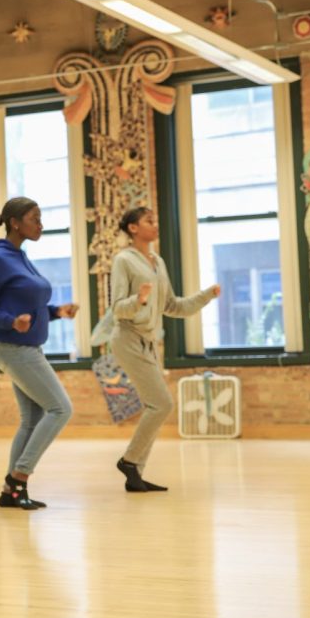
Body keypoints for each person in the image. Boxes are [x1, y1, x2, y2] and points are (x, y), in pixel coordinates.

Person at [0, 197, 78, 510]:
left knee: (32, 419)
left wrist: (57, 311)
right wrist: (10, 322)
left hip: (26, 346)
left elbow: (27, 306)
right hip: (13, 348)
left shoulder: (18, 256)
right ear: (15, 222)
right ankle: (19, 477)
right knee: (60, 409)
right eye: (35, 218)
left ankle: (11, 492)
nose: (41, 224)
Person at [110, 206, 219, 492]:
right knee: (163, 404)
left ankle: (135, 474)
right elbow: (118, 308)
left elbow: (173, 306)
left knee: (155, 405)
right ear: (133, 228)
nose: (155, 225)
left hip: (148, 341)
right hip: (127, 337)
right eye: (149, 221)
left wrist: (205, 296)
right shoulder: (124, 261)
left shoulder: (157, 261)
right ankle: (129, 461)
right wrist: (140, 299)